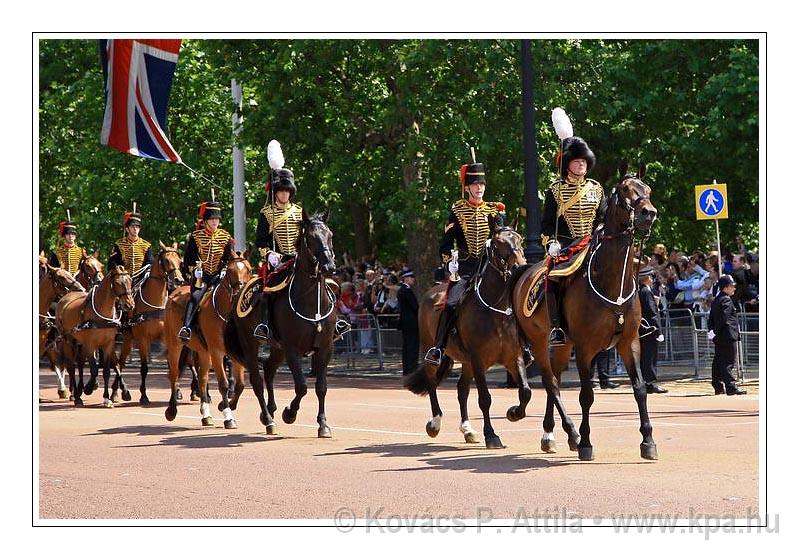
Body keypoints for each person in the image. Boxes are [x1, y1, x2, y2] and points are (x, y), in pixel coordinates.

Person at [424, 159, 506, 366]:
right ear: (467, 187)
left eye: (482, 185)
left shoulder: (494, 211)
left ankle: (522, 345)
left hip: (491, 267)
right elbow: (445, 244)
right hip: (466, 269)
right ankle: (439, 347)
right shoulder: (458, 211)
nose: (479, 188)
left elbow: (502, 238)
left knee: (513, 299)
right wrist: (450, 261)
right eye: (475, 185)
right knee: (451, 303)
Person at [540, 131, 607, 347]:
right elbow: (546, 225)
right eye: (577, 161)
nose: (581, 165)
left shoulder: (596, 189)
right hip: (567, 247)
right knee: (551, 278)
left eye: (584, 161)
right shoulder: (555, 191)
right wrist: (551, 242)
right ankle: (557, 327)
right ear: (567, 164)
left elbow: (603, 218)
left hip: (594, 243)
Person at [253, 162, 303, 341]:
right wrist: (269, 255)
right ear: (275, 192)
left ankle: (332, 323)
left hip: (300, 259)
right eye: (281, 190)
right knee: (267, 290)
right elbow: (260, 241)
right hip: (279, 261)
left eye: (287, 191)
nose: (284, 194)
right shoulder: (266, 213)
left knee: (323, 283)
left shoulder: (299, 212)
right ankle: (264, 325)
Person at [177, 201, 234, 341]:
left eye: (217, 219)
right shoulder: (196, 237)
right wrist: (195, 270)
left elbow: (229, 258)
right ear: (205, 221)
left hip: (219, 276)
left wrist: (225, 268)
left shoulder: (226, 237)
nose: (215, 221)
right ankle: (187, 327)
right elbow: (189, 259)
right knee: (195, 296)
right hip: (201, 276)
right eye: (212, 219)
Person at [708, 275, 747, 395]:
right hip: (727, 335)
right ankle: (730, 386)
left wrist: (712, 330)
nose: (734, 289)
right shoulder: (726, 299)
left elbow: (712, 317)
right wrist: (715, 330)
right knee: (728, 361)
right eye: (732, 286)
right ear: (726, 287)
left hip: (719, 335)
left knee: (718, 360)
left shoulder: (717, 299)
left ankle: (717, 385)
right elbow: (723, 318)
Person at [637, 266, 668, 394]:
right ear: (648, 278)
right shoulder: (645, 292)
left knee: (646, 357)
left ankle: (646, 381)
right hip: (649, 330)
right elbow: (651, 313)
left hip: (644, 330)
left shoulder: (641, 291)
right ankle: (650, 382)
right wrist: (658, 331)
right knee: (649, 357)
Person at [108, 207, 153, 286]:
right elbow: (112, 263)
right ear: (127, 229)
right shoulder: (119, 244)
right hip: (123, 280)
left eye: (137, 227)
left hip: (141, 279)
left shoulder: (146, 245)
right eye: (132, 226)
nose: (135, 229)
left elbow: (150, 263)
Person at [397, 270, 420, 374]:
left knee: (406, 346)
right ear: (406, 278)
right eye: (411, 277)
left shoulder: (402, 290)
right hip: (411, 323)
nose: (413, 279)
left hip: (405, 322)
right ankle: (411, 368)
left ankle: (407, 368)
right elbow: (415, 306)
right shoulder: (407, 290)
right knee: (412, 346)